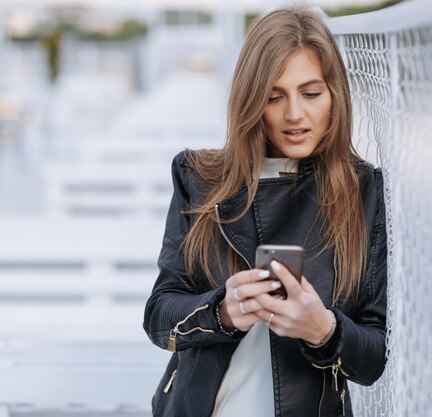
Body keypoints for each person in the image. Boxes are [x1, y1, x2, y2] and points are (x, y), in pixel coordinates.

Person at [143, 7, 387, 417]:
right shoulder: (199, 177)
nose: (294, 114)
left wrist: (323, 330)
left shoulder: (363, 190)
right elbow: (159, 316)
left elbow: (374, 357)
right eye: (274, 97)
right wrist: (221, 311)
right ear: (252, 100)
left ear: (335, 96)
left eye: (310, 93)